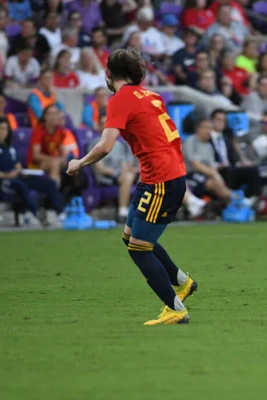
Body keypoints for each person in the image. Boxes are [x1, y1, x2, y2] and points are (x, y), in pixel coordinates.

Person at [66, 48, 197, 325]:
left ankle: (176, 308)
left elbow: (105, 146)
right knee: (131, 237)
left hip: (161, 180)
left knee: (139, 247)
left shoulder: (120, 99)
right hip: (162, 175)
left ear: (107, 74)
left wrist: (79, 163)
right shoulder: (151, 95)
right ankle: (183, 283)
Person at [0, 117, 65, 227]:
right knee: (21, 186)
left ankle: (61, 213)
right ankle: (37, 213)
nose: (3, 132)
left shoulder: (11, 147)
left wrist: (19, 171)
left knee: (47, 183)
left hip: (17, 176)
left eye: (5, 129)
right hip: (3, 180)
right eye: (0, 129)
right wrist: (5, 175)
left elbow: (17, 164)